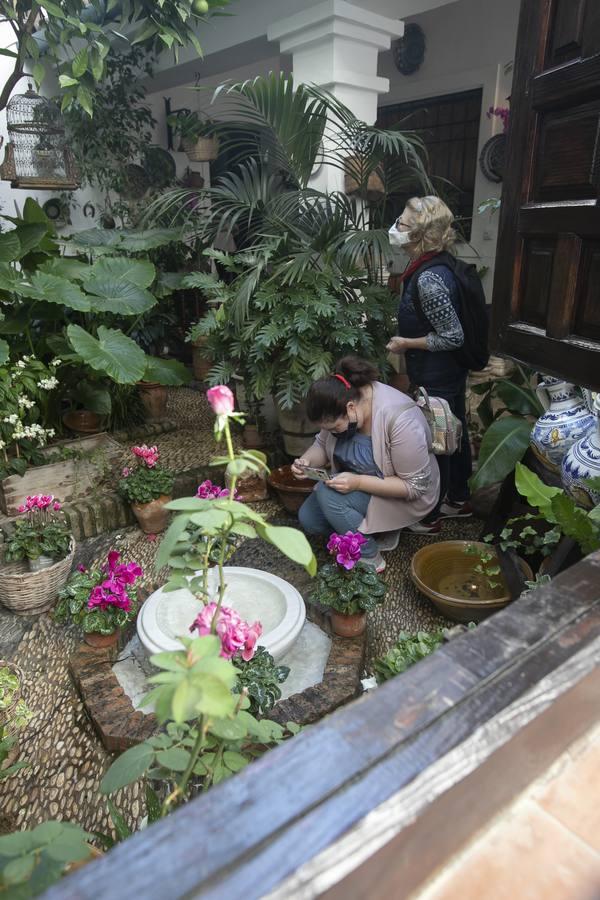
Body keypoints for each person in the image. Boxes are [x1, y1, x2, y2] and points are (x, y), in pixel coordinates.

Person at [292, 356, 440, 573]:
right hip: (356, 483)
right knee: (310, 520)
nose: (333, 433)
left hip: (400, 491)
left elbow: (414, 487)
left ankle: (370, 556)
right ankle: (376, 528)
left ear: (351, 408)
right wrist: (306, 461)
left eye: (335, 428)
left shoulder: (400, 419)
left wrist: (358, 482)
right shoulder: (340, 403)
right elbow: (321, 445)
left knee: (327, 495)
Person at [387, 195, 472, 533]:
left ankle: (430, 515)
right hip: (446, 373)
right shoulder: (436, 264)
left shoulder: (428, 279)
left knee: (437, 440)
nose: (396, 228)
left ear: (421, 234)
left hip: (438, 374)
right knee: (454, 430)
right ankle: (459, 498)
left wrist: (405, 343)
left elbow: (453, 336)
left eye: (403, 224)